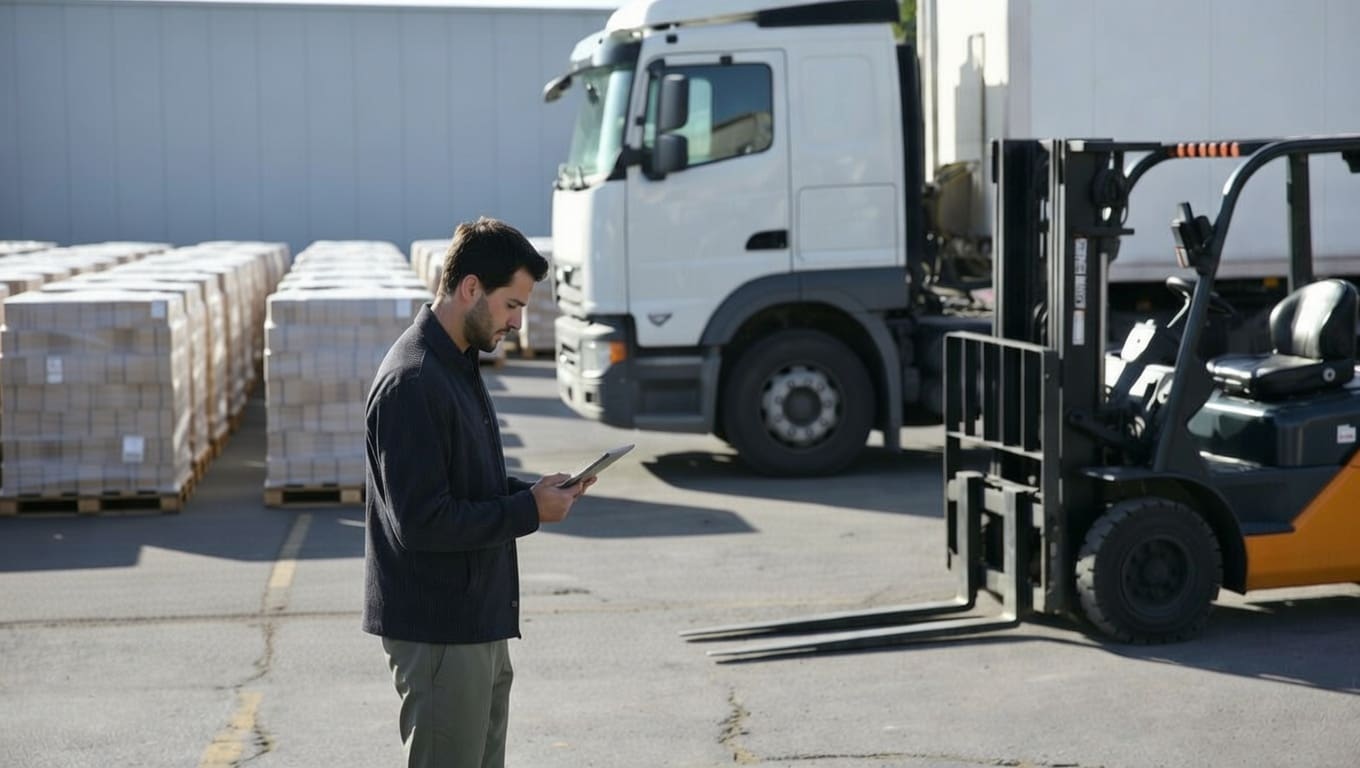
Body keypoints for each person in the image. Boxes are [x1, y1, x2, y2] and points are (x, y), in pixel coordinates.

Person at [363, 217, 592, 768]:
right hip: (442, 634)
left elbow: (463, 485)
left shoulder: (455, 364)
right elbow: (420, 522)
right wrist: (527, 510)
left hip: (475, 625)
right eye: (511, 305)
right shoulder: (414, 381)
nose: (518, 321)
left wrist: (530, 491)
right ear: (470, 288)